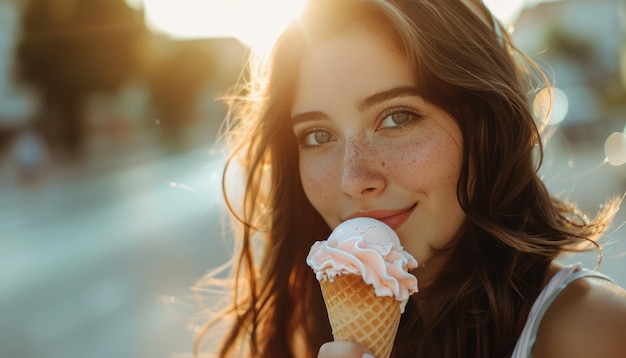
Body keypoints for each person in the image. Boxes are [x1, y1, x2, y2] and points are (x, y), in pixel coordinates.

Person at [195, 0, 626, 356]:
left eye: (397, 117)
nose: (353, 179)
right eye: (317, 135)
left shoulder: (592, 330)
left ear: (483, 125)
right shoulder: (300, 336)